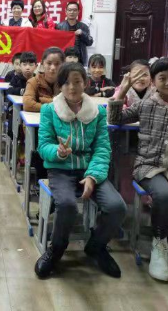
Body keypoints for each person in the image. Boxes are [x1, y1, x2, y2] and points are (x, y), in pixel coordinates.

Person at [109, 58, 168, 285]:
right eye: (162, 78)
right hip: (149, 166)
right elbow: (115, 118)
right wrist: (123, 89)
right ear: (153, 82)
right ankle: (159, 244)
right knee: (163, 197)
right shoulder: (147, 104)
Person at [34, 62, 127, 280]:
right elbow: (43, 146)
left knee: (117, 207)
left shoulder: (97, 112)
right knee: (67, 205)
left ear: (85, 83)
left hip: (89, 169)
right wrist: (58, 152)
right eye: (66, 83)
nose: (72, 87)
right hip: (61, 170)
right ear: (59, 86)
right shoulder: (49, 110)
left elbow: (102, 148)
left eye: (77, 82)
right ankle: (56, 249)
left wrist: (93, 176)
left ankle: (96, 246)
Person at [23, 47, 65, 113]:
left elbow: (71, 105)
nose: (53, 67)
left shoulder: (66, 83)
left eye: (57, 64)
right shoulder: (33, 82)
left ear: (63, 65)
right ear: (42, 63)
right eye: (49, 63)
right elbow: (27, 105)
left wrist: (44, 100)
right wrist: (55, 105)